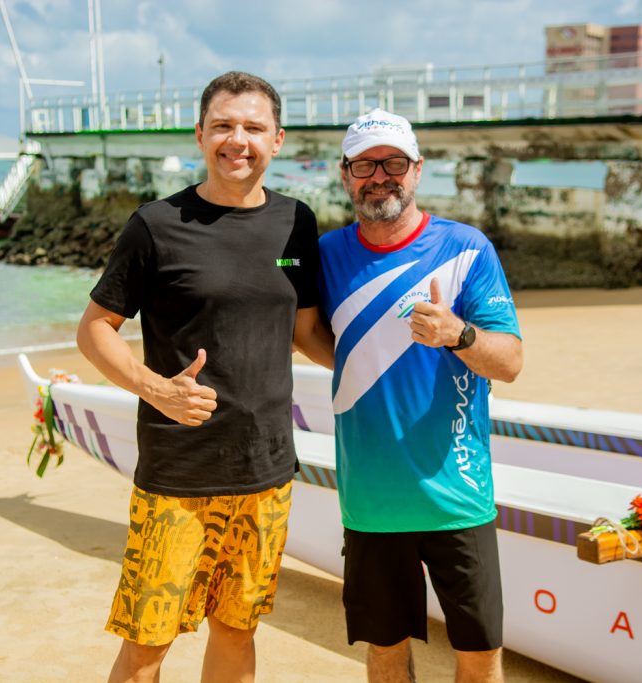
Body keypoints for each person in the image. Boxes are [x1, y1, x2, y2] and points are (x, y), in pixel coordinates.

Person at [77, 71, 333, 683]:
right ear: (200, 135)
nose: (236, 139)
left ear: (277, 140)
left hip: (265, 470)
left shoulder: (297, 223)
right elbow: (94, 329)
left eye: (252, 127)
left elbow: (306, 335)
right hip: (179, 474)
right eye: (223, 125)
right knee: (147, 643)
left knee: (238, 631)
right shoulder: (156, 225)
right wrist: (154, 387)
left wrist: (391, 359)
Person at [317, 109, 523, 683]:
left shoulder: (467, 248)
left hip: (459, 493)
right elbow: (303, 329)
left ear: (417, 170)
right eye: (365, 164)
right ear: (345, 175)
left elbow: (509, 363)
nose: (379, 176)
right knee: (385, 650)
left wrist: (456, 334)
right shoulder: (323, 255)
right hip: (371, 500)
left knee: (480, 654)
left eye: (394, 163)